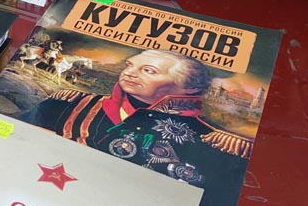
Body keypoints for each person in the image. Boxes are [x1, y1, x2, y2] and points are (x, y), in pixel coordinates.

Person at [25, 50, 250, 191]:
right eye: (129, 66)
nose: (129, 73)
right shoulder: (68, 103)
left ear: (188, 87)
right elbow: (9, 132)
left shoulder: (217, 144)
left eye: (148, 71)